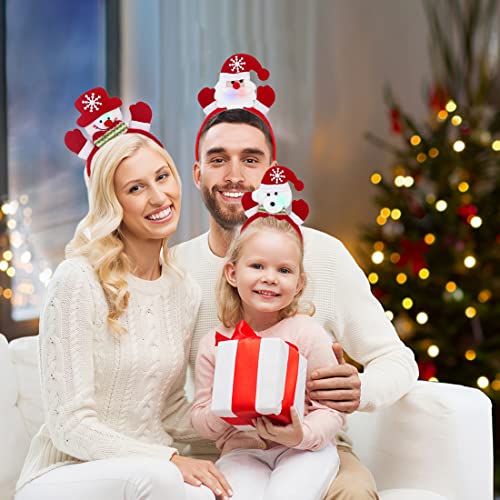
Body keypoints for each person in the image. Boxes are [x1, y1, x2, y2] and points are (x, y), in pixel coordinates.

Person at [172, 108, 419, 499]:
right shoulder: (174, 269)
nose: (234, 174)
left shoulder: (326, 255)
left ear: (273, 171)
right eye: (218, 159)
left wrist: (360, 388)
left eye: (251, 159)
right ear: (198, 173)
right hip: (215, 453)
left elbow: (399, 360)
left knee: (352, 493)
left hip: (312, 445)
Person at [15, 121, 232, 499]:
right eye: (136, 188)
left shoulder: (184, 291)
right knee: (163, 480)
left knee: (211, 491)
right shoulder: (78, 280)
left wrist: (241, 427)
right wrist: (169, 460)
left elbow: (168, 410)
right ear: (112, 205)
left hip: (145, 469)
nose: (158, 196)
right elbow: (69, 425)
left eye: (162, 177)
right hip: (64, 473)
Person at [191, 210, 345, 500]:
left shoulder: (307, 334)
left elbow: (331, 410)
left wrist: (301, 435)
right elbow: (199, 417)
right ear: (233, 273)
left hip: (303, 449)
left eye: (284, 270)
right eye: (258, 266)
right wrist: (225, 408)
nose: (270, 278)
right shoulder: (215, 344)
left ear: (299, 283)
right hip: (242, 452)